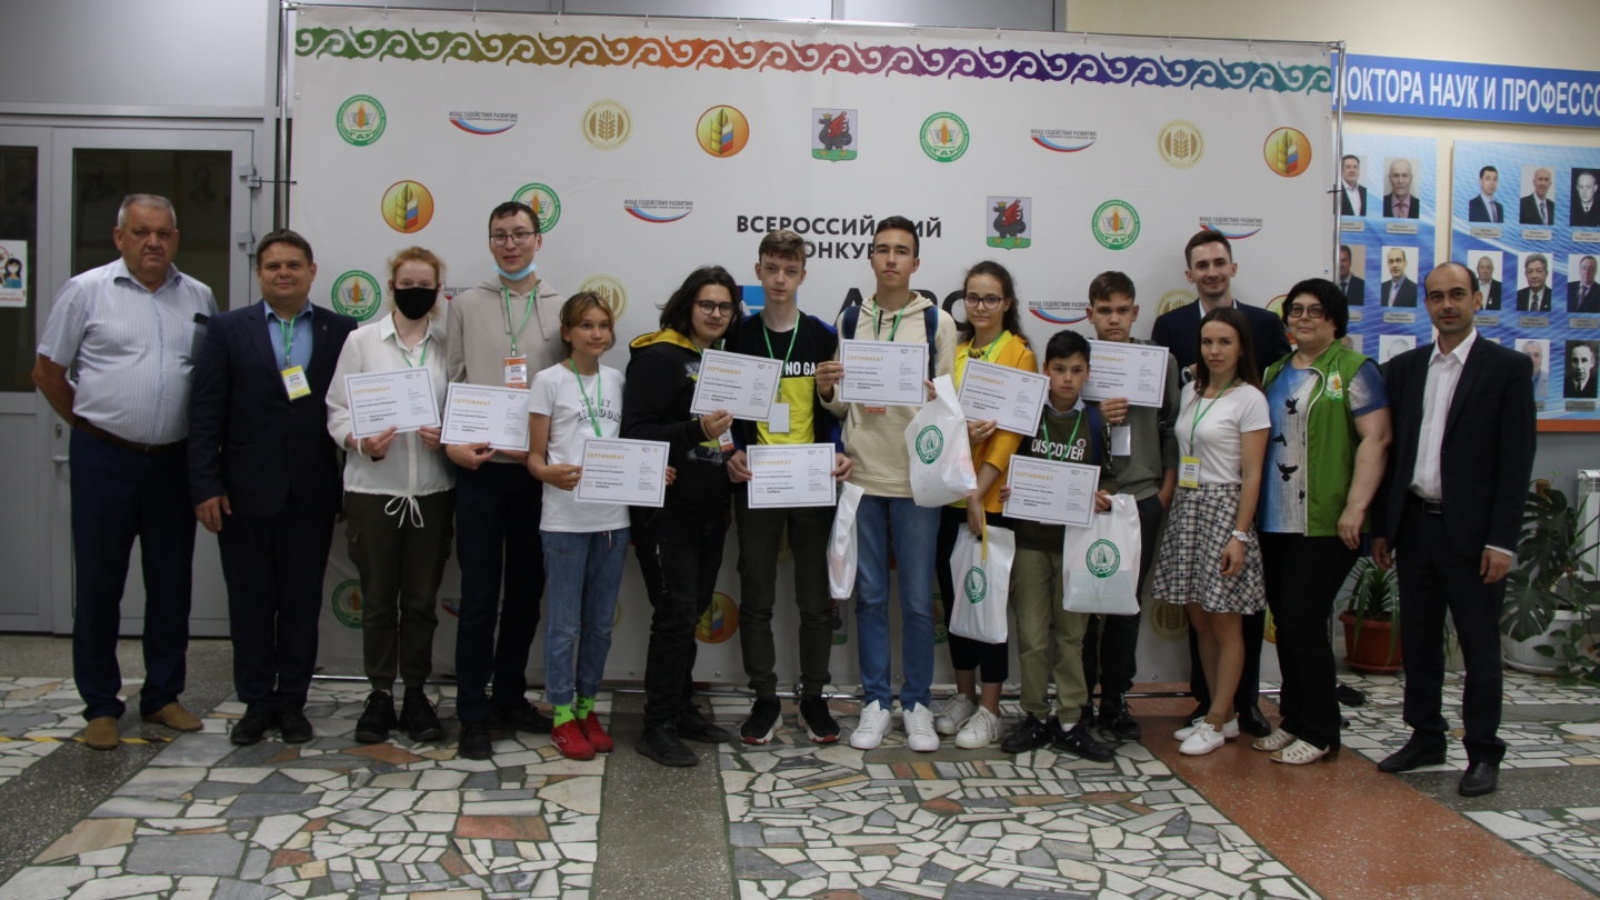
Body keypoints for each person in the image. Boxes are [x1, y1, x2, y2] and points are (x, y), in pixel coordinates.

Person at [33, 194, 216, 750]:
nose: (152, 242)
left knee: (171, 584)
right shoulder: (85, 291)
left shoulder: (199, 296)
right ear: (120, 237)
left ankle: (162, 696)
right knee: (99, 583)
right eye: (141, 232)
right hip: (105, 460)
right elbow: (47, 372)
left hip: (172, 462)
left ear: (176, 239)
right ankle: (100, 705)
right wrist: (92, 426)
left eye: (163, 233)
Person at [1372, 262, 1535, 798]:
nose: (1447, 305)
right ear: (1426, 303)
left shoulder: (1507, 369)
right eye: (1437, 296)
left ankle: (1483, 751)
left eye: (1457, 294)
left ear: (1477, 299)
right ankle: (1426, 737)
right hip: (1416, 525)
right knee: (1419, 643)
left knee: (1480, 650)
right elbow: (1393, 456)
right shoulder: (1406, 369)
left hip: (1474, 537)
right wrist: (1384, 528)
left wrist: (1502, 540)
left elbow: (1516, 463)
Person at [189, 229, 356, 746]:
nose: (284, 273)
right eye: (273, 266)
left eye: (293, 265)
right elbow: (205, 412)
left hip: (311, 494)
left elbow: (352, 408)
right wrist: (205, 483)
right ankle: (257, 702)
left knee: (302, 607)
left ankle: (292, 703)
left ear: (311, 271)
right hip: (242, 495)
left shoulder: (340, 330)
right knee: (250, 606)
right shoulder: (226, 329)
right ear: (259, 273)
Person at [819, 215, 959, 753]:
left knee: (919, 601)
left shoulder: (938, 323)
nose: (892, 258)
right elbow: (842, 405)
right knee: (872, 597)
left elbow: (950, 409)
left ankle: (917, 703)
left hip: (917, 480)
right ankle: (876, 702)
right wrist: (828, 390)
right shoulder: (850, 319)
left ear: (916, 262)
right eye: (883, 249)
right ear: (871, 259)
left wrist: (937, 398)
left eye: (902, 250)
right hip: (863, 475)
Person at [1149, 230, 1285, 737]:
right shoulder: (1190, 386)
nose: (1214, 349)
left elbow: (1254, 470)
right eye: (1208, 342)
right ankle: (1214, 709)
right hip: (1188, 507)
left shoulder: (1252, 392)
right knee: (1201, 617)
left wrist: (1240, 532)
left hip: (1227, 509)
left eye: (1224, 342)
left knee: (1229, 619)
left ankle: (1230, 709)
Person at [445, 200, 564, 760]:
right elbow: (454, 378)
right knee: (477, 597)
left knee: (525, 594)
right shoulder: (466, 304)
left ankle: (511, 698)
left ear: (539, 240)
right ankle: (472, 710)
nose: (510, 244)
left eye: (520, 234)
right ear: (490, 242)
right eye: (500, 235)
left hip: (536, 475)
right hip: (482, 472)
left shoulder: (561, 306)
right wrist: (454, 442)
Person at [1257, 279, 1391, 765]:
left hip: (1328, 522)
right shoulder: (1274, 372)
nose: (1304, 318)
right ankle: (1293, 719)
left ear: (1335, 320)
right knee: (1288, 623)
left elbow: (1377, 438)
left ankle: (1321, 730)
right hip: (1276, 520)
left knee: (1303, 620)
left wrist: (1356, 506)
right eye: (1296, 310)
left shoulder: (1354, 369)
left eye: (1316, 311)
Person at [724, 231, 850, 746]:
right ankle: (764, 698)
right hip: (757, 481)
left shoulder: (822, 335)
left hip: (813, 481)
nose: (780, 279)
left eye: (790, 270)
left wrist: (839, 448)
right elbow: (721, 408)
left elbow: (839, 410)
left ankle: (814, 698)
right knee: (756, 597)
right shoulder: (738, 336)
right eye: (772, 269)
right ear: (758, 271)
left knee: (815, 601)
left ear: (803, 275)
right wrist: (729, 453)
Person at [324, 247, 451, 745]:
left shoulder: (447, 343)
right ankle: (379, 693)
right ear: (392, 286)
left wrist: (448, 434)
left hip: (433, 493)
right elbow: (337, 409)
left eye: (425, 285)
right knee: (377, 602)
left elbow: (465, 407)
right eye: (407, 283)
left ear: (438, 290)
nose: (416, 291)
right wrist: (360, 441)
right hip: (373, 492)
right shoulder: (362, 342)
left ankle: (416, 692)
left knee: (420, 602)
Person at [623, 265, 741, 767]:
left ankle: (682, 708)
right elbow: (635, 434)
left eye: (724, 307)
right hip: (665, 513)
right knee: (673, 617)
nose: (715, 314)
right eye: (706, 304)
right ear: (687, 306)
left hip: (711, 509)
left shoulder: (724, 362)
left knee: (689, 615)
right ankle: (658, 726)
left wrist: (733, 454)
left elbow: (726, 434)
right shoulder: (657, 357)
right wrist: (696, 431)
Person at [995, 330, 1115, 762]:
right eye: (1059, 369)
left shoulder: (1097, 421)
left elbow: (1110, 475)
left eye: (1076, 370)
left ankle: (1070, 719)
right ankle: (1034, 714)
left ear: (1087, 374)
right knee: (1031, 635)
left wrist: (1105, 496)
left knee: (1071, 637)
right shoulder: (1027, 416)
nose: (1067, 378)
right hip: (1029, 541)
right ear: (1045, 370)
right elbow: (1003, 462)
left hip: (1076, 545)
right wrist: (1008, 490)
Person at [931, 261, 1036, 749]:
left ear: (1007, 303)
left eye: (991, 298)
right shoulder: (957, 351)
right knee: (956, 599)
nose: (980, 306)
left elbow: (1011, 433)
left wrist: (979, 490)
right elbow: (944, 419)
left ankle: (991, 708)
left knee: (986, 599)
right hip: (949, 492)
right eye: (972, 297)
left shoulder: (1019, 354)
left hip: (990, 498)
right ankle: (964, 695)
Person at [527, 292, 636, 761]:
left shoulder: (617, 380)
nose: (596, 333)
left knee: (599, 626)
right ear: (567, 332)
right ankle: (562, 715)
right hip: (564, 520)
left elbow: (629, 449)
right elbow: (534, 458)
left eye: (603, 325)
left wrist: (651, 472)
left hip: (612, 519)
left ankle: (588, 708)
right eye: (586, 325)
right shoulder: (548, 381)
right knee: (564, 626)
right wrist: (547, 473)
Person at [1080, 271, 1178, 741]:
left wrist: (1164, 493)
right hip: (1088, 497)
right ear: (1090, 314)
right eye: (1105, 311)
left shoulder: (1159, 362)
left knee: (1126, 606)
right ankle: (1079, 697)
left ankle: (1116, 698)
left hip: (1140, 497)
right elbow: (1056, 422)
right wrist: (1095, 413)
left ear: (1136, 312)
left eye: (1122, 310)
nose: (1114, 319)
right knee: (1080, 604)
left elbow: (1174, 430)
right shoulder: (1075, 361)